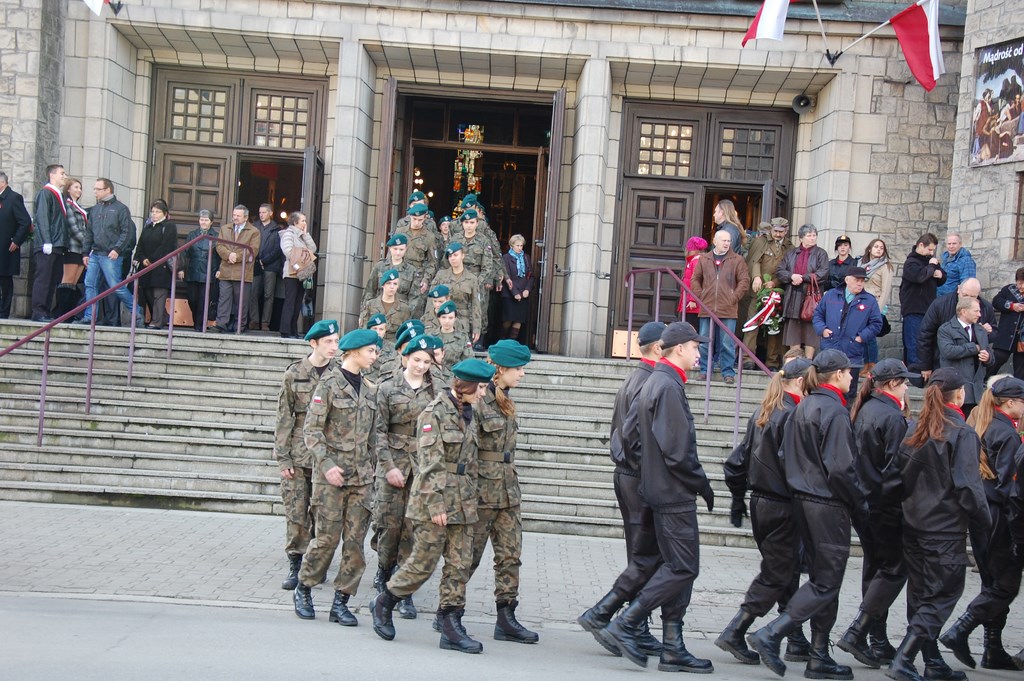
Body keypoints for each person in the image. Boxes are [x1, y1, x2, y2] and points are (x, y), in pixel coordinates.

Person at [597, 321, 715, 673]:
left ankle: (669, 644)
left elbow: (629, 434)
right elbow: (678, 452)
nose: (699, 353)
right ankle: (628, 622)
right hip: (671, 492)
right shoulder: (665, 385)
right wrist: (702, 484)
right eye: (695, 347)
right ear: (679, 348)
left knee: (671, 565)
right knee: (683, 566)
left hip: (658, 488)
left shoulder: (658, 381)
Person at [747, 349, 866, 681]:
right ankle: (774, 634)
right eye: (849, 372)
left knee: (822, 579)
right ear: (837, 375)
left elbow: (785, 454)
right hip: (826, 504)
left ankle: (818, 655)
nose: (852, 376)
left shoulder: (804, 407)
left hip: (803, 500)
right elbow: (841, 469)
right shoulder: (834, 411)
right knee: (826, 582)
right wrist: (859, 504)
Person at [370, 358, 497, 654]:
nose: (483, 393)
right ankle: (385, 601)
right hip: (433, 501)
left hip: (463, 501)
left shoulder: (472, 412)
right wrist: (436, 503)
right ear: (464, 386)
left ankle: (450, 623)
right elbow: (429, 463)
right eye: (480, 388)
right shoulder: (434, 413)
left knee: (459, 564)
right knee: (422, 564)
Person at [888, 368, 991, 681]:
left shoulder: (916, 428)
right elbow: (968, 486)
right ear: (959, 394)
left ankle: (932, 661)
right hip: (943, 528)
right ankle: (904, 658)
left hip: (915, 523)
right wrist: (984, 521)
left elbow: (896, 476)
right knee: (941, 594)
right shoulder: (961, 433)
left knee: (921, 594)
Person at [717, 354, 813, 666]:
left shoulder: (765, 410)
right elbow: (795, 466)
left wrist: (738, 499)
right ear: (801, 382)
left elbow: (736, 463)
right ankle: (736, 630)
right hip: (783, 504)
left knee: (784, 568)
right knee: (778, 572)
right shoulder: (793, 414)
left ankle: (794, 637)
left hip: (763, 503)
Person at [579, 321, 667, 659]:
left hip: (631, 474)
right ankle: (627, 624)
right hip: (637, 476)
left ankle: (632, 623)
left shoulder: (638, 378)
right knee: (644, 556)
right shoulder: (648, 381)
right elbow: (635, 437)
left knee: (642, 554)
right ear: (658, 348)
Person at [292, 328, 379, 626]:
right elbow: (312, 431)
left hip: (361, 479)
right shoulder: (328, 384)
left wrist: (374, 467)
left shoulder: (370, 388)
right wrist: (326, 465)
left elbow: (373, 436)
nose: (375, 356)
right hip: (331, 477)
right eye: (370, 351)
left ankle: (341, 602)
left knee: (354, 543)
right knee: (326, 540)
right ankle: (304, 587)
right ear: (353, 352)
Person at [939, 376, 1024, 671]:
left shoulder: (985, 423)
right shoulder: (1007, 433)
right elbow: (1010, 489)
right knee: (1004, 585)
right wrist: (1017, 533)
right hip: (1000, 516)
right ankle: (960, 630)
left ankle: (992, 648)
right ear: (1010, 403)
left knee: (994, 583)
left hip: (983, 513)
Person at [837, 359, 918, 669]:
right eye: (905, 382)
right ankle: (862, 632)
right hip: (884, 505)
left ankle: (877, 637)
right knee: (892, 569)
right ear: (892, 384)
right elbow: (897, 468)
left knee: (876, 568)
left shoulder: (866, 409)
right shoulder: (890, 416)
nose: (908, 387)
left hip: (866, 502)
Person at [464, 339, 539, 644]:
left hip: (508, 489)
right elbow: (467, 449)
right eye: (518, 369)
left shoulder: (506, 399)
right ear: (501, 368)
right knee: (468, 556)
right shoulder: (479, 400)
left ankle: (506, 617)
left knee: (510, 555)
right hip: (482, 490)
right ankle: (449, 610)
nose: (522, 374)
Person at [371, 333, 445, 621]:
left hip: (423, 466)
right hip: (393, 463)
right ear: (405, 358)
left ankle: (403, 591)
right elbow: (378, 432)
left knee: (412, 527)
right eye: (416, 360)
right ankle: (384, 570)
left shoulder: (437, 390)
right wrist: (388, 466)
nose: (421, 366)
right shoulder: (387, 388)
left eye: (426, 362)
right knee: (388, 524)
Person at [274, 319, 339, 591]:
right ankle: (296, 562)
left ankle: (317, 563)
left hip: (328, 455)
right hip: (299, 454)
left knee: (323, 512)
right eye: (328, 341)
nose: (333, 346)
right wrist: (283, 457)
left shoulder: (340, 374)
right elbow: (284, 417)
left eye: (336, 341)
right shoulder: (294, 373)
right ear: (314, 343)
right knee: (296, 510)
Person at [812, 267, 883, 404]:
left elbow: (876, 324)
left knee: (848, 394)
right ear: (847, 280)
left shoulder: (869, 300)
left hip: (852, 352)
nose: (860, 283)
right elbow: (818, 315)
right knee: (824, 389)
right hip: (830, 349)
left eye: (862, 280)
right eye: (857, 280)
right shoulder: (831, 295)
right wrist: (822, 330)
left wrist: (861, 337)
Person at [690, 229, 750, 384]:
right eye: (724, 240)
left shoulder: (737, 260)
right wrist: (701, 296)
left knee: (727, 343)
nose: (727, 243)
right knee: (705, 342)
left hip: (728, 308)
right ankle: (704, 370)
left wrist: (733, 297)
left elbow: (744, 281)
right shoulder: (704, 259)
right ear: (715, 241)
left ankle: (728, 372)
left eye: (729, 241)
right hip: (707, 308)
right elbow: (695, 279)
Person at [79, 178, 139, 326]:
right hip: (96, 253)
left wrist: (117, 249)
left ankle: (136, 311)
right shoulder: (95, 209)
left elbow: (126, 231)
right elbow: (89, 232)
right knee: (90, 284)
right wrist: (85, 252)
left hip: (111, 255)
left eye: (98, 189)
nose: (95, 192)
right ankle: (90, 316)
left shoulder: (121, 209)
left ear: (108, 190)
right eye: (94, 189)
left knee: (115, 287)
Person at [915, 279, 997, 379]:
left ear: (978, 295)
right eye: (965, 295)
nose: (968, 299)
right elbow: (925, 335)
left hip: (973, 368)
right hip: (943, 362)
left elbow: (994, 334)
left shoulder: (985, 307)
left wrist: (983, 333)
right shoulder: (940, 304)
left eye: (972, 297)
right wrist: (925, 365)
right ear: (958, 289)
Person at [742, 218, 792, 370]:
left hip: (776, 292)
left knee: (774, 327)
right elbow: (754, 261)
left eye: (781, 232)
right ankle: (747, 359)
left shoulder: (789, 247)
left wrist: (775, 282)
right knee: (752, 324)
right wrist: (756, 276)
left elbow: (788, 269)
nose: (777, 234)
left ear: (786, 231)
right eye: (775, 231)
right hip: (758, 291)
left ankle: (772, 361)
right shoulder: (761, 241)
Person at [776, 224, 830, 359]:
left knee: (810, 333)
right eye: (809, 235)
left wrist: (803, 278)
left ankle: (808, 363)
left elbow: (823, 273)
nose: (812, 238)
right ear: (801, 238)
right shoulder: (791, 253)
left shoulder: (821, 253)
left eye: (814, 235)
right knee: (793, 332)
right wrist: (791, 276)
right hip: (793, 297)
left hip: (811, 297)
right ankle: (795, 362)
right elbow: (780, 271)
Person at [937, 298, 993, 415]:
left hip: (977, 392)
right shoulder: (946, 329)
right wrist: (974, 348)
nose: (979, 314)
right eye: (976, 311)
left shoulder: (980, 330)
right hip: (956, 390)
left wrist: (988, 357)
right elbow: (948, 351)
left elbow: (990, 354)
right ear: (963, 311)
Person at [900, 233, 946, 368]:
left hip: (928, 308)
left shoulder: (930, 261)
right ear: (921, 245)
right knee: (913, 343)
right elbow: (919, 277)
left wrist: (940, 274)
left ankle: (926, 370)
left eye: (933, 250)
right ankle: (914, 372)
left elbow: (942, 279)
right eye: (929, 249)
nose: (931, 253)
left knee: (927, 342)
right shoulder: (911, 263)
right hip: (913, 308)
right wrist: (931, 268)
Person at [31, 163, 69, 322]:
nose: (65, 176)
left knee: (53, 279)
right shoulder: (45, 193)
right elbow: (43, 218)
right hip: (49, 244)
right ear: (52, 175)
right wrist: (47, 241)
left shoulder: (59, 195)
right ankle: (38, 311)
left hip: (57, 244)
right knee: (44, 279)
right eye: (62, 173)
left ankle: (45, 310)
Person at [214, 205, 261, 333]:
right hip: (226, 269)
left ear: (245, 217)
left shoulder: (254, 231)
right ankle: (221, 323)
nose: (235, 217)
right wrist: (229, 255)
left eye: (238, 216)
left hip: (243, 271)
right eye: (234, 215)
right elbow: (219, 245)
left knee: (241, 301)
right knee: (224, 298)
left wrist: (237, 257)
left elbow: (253, 250)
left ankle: (239, 325)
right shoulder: (225, 228)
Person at [134, 200, 177, 330]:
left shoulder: (169, 226)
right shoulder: (148, 227)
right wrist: (142, 258)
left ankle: (157, 321)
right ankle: (161, 317)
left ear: (165, 213)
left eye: (158, 212)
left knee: (159, 293)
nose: (154, 214)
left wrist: (152, 259)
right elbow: (140, 245)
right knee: (147, 292)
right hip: (146, 266)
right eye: (153, 211)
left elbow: (166, 246)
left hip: (160, 266)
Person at [431, 242, 483, 344]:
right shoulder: (441, 276)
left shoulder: (472, 279)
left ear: (462, 256)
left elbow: (476, 305)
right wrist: (429, 322)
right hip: (443, 320)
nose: (453, 258)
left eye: (455, 255)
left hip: (462, 322)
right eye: (450, 256)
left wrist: (476, 327)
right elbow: (431, 300)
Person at [394, 203, 440, 316]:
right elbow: (391, 254)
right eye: (414, 219)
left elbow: (433, 262)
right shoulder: (400, 231)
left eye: (420, 220)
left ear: (425, 218)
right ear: (410, 216)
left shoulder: (429, 237)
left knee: (414, 312)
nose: (416, 222)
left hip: (417, 277)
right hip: (400, 273)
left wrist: (426, 280)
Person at [180, 209, 220, 331]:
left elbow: (220, 255)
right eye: (201, 219)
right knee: (192, 299)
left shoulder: (216, 236)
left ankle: (200, 325)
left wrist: (219, 269)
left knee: (204, 301)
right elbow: (184, 253)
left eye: (206, 220)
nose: (203, 222)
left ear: (211, 222)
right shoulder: (192, 234)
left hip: (209, 272)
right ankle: (197, 322)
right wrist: (181, 268)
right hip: (193, 271)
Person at [278, 211, 317, 339]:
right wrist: (300, 262)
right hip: (291, 273)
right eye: (303, 221)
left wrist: (306, 235)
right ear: (295, 222)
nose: (305, 223)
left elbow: (313, 249)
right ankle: (285, 330)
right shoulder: (288, 234)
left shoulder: (301, 236)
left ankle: (293, 330)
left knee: (297, 302)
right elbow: (288, 251)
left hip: (302, 273)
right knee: (290, 301)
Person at [55, 177, 89, 318]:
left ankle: (69, 313)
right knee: (67, 280)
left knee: (74, 282)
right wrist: (87, 243)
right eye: (76, 187)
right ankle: (61, 313)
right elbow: (73, 228)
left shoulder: (78, 206)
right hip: (72, 247)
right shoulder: (68, 205)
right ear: (68, 189)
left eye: (80, 188)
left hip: (81, 249)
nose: (79, 190)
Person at [0, 171, 32, 319]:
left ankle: (3, 313)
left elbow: (25, 222)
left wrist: (16, 241)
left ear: (2, 183)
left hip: (6, 247)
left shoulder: (13, 198)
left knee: (5, 280)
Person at [861, 239, 895, 373]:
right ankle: (864, 364)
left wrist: (878, 311)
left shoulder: (885, 266)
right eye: (876, 247)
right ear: (870, 249)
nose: (879, 249)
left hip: (874, 304)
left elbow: (885, 290)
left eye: (881, 248)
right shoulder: (862, 264)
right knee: (862, 335)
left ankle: (872, 365)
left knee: (870, 336)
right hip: (861, 304)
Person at [250, 203, 283, 332]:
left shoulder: (277, 229)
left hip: (271, 266)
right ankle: (254, 320)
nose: (261, 215)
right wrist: (257, 259)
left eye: (264, 212)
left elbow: (278, 249)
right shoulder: (254, 227)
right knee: (253, 292)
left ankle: (265, 322)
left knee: (268, 295)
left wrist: (265, 260)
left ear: (270, 213)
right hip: (255, 264)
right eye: (260, 212)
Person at [363, 233, 420, 308]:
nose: (398, 253)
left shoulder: (411, 270)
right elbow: (370, 291)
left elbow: (414, 297)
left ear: (406, 249)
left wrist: (407, 312)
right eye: (395, 249)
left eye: (401, 249)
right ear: (390, 248)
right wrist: (366, 310)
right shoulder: (380, 266)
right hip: (379, 309)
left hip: (401, 310)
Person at [359, 269, 412, 344]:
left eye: (395, 284)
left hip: (394, 347)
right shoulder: (370, 305)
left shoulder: (404, 309)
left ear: (398, 286)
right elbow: (363, 330)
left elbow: (406, 335)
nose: (392, 287)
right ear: (383, 285)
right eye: (388, 283)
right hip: (373, 344)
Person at [990, 268, 1024, 380]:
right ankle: (984, 381)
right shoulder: (1009, 289)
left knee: (1020, 369)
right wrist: (1012, 306)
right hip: (1006, 335)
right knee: (998, 358)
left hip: (1022, 339)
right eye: (1020, 283)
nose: (1022, 286)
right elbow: (996, 301)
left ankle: (1018, 389)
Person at [499, 234, 534, 341]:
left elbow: (531, 276)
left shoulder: (526, 257)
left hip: (523, 293)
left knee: (519, 320)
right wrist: (515, 293)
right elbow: (507, 276)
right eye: (517, 245)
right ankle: (503, 340)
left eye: (521, 246)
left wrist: (527, 289)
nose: (520, 248)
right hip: (509, 294)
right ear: (511, 245)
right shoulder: (506, 258)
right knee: (508, 320)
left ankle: (511, 342)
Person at [678, 236, 707, 329]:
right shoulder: (695, 260)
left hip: (693, 305)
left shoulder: (697, 261)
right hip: (691, 302)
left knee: (692, 328)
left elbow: (697, 280)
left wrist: (692, 299)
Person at [936, 234, 976, 298]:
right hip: (941, 298)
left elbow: (967, 285)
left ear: (960, 244)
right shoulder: (945, 258)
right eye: (949, 244)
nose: (951, 246)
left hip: (953, 299)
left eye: (954, 243)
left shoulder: (966, 260)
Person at [436, 301, 473, 370]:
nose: (447, 321)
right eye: (443, 317)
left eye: (450, 318)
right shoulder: (431, 337)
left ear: (455, 318)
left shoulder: (463, 337)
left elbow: (469, 360)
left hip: (455, 374)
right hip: (436, 374)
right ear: (439, 318)